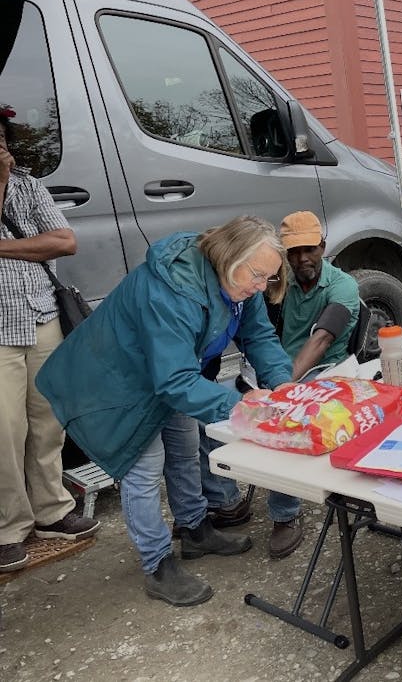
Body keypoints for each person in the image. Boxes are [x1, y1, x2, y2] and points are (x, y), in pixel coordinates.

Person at [36, 216, 294, 606]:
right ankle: (156, 564)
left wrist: (282, 383)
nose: (262, 286)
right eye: (258, 276)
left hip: (172, 373)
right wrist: (240, 405)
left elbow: (257, 334)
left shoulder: (242, 279)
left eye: (268, 279)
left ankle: (194, 529)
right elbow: (173, 381)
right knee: (144, 468)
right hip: (122, 383)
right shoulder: (173, 290)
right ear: (229, 258)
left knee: (186, 446)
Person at [198, 210, 361, 559]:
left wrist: (284, 389)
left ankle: (285, 514)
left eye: (309, 249)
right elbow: (253, 333)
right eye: (294, 252)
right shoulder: (274, 280)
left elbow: (321, 340)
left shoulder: (343, 286)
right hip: (272, 369)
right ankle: (225, 500)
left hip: (324, 373)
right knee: (203, 412)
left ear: (323, 246)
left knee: (287, 423)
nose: (302, 258)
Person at [0, 106, 100, 573]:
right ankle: (9, 528)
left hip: (42, 317)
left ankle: (52, 510)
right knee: (5, 433)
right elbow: (45, 242)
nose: (1, 150)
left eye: (2, 141)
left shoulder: (28, 185)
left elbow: (64, 242)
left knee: (47, 422)